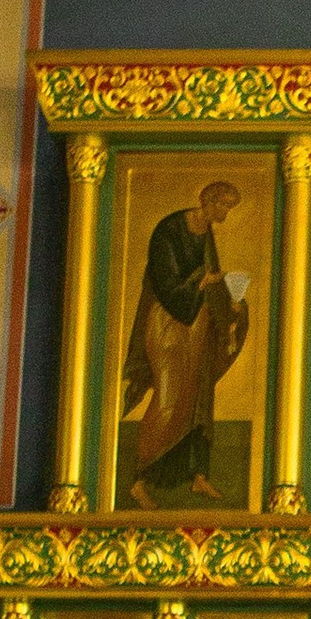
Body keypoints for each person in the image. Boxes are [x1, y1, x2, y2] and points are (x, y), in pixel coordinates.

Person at [122, 182, 246, 504]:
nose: (226, 212)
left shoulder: (206, 232)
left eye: (230, 207)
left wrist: (230, 301)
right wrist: (201, 282)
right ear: (208, 200)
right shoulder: (170, 230)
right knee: (168, 397)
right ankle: (139, 479)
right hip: (167, 321)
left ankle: (198, 476)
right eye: (223, 205)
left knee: (199, 395)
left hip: (197, 324)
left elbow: (209, 278)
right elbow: (165, 283)